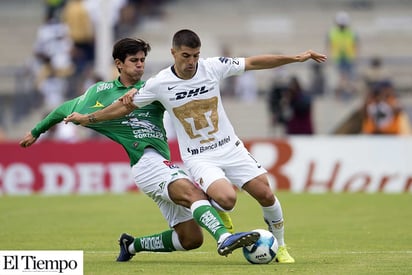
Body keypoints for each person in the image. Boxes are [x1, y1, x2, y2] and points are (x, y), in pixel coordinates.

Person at [65, 29, 327, 263]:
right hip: (200, 156)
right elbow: (122, 107)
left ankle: (280, 246)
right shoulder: (159, 83)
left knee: (266, 195)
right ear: (174, 53)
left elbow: (254, 62)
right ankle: (217, 211)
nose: (192, 62)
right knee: (228, 199)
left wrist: (296, 58)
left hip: (230, 147)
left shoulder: (212, 67)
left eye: (196, 56)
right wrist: (88, 119)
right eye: (186, 56)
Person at [20, 38, 260, 262]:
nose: (140, 65)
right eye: (134, 60)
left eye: (142, 60)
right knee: (193, 194)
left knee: (191, 239)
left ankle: (131, 245)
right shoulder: (101, 92)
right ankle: (223, 237)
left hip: (161, 163)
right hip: (146, 162)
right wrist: (36, 131)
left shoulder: (152, 88)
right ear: (119, 64)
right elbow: (64, 109)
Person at [326, 11, 359, 99]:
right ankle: (340, 95)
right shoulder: (332, 32)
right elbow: (329, 45)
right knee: (341, 77)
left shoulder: (351, 33)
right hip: (338, 58)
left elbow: (355, 45)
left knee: (349, 78)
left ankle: (349, 95)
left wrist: (355, 56)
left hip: (349, 58)